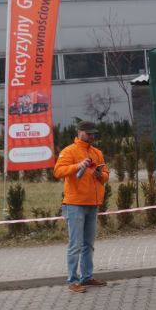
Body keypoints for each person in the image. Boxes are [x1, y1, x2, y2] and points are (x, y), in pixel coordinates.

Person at [53, 121, 110, 293]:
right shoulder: (69, 151)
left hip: (92, 204)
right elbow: (58, 171)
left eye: (93, 134)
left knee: (88, 244)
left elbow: (106, 176)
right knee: (75, 244)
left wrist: (100, 174)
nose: (92, 136)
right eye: (89, 133)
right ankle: (73, 280)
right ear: (79, 132)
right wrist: (78, 166)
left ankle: (86, 277)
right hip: (74, 204)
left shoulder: (96, 153)